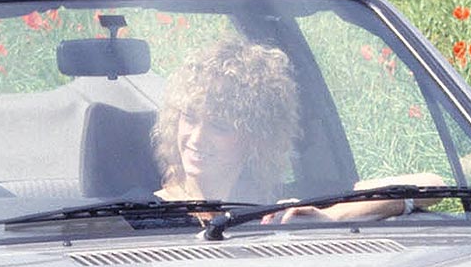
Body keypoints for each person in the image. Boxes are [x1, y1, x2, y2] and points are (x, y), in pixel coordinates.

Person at [151, 35, 442, 222]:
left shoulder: (283, 204)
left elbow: (432, 184)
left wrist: (332, 218)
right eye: (189, 118)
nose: (197, 138)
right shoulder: (143, 214)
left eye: (219, 126)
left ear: (256, 136)